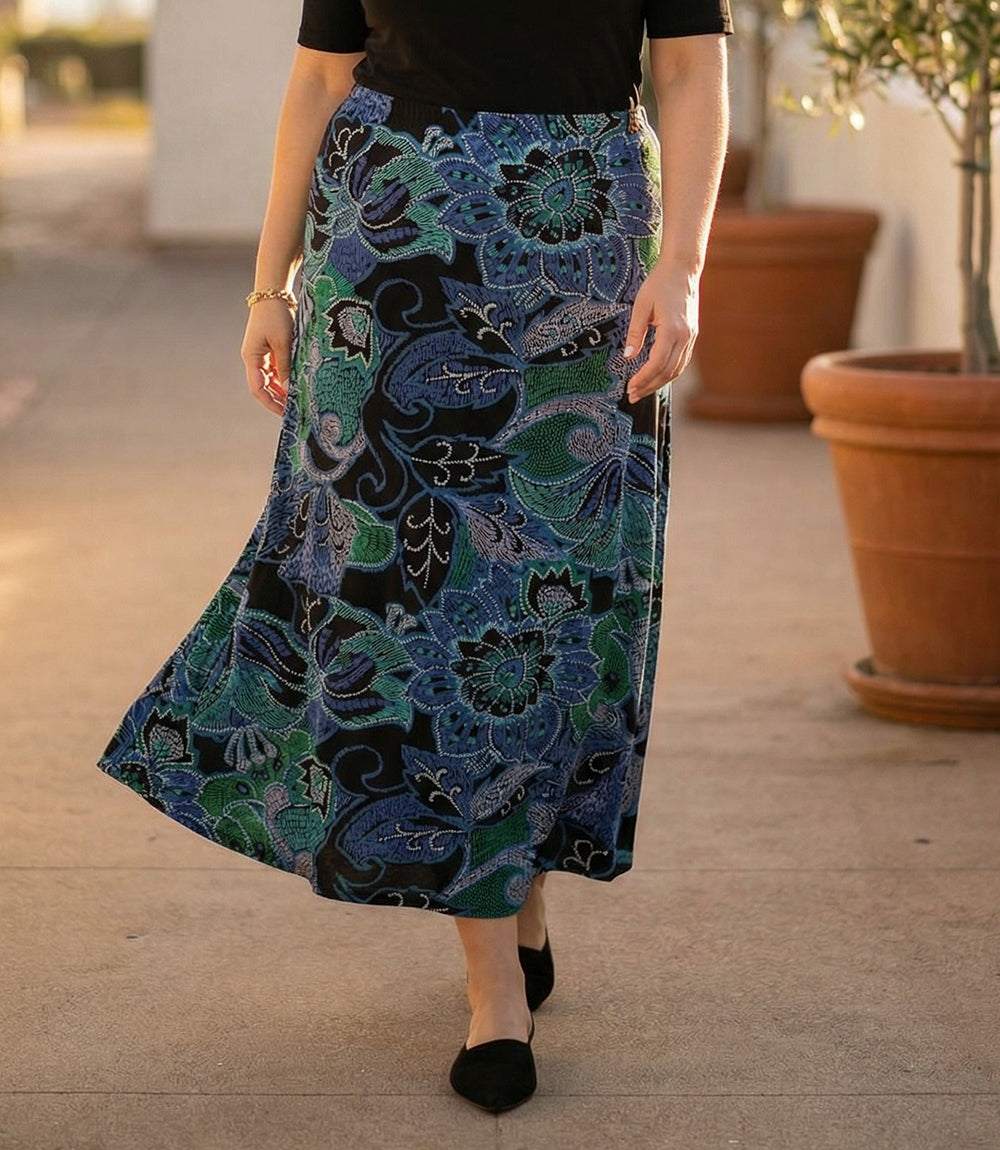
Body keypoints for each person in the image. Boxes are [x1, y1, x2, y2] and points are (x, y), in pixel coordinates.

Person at [97, 0, 732, 1114]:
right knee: (412, 599)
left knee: (556, 600)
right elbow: (320, 77)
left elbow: (687, 72)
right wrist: (270, 286)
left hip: (579, 240)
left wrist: (680, 266)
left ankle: (511, 876)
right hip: (390, 240)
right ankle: (493, 980)